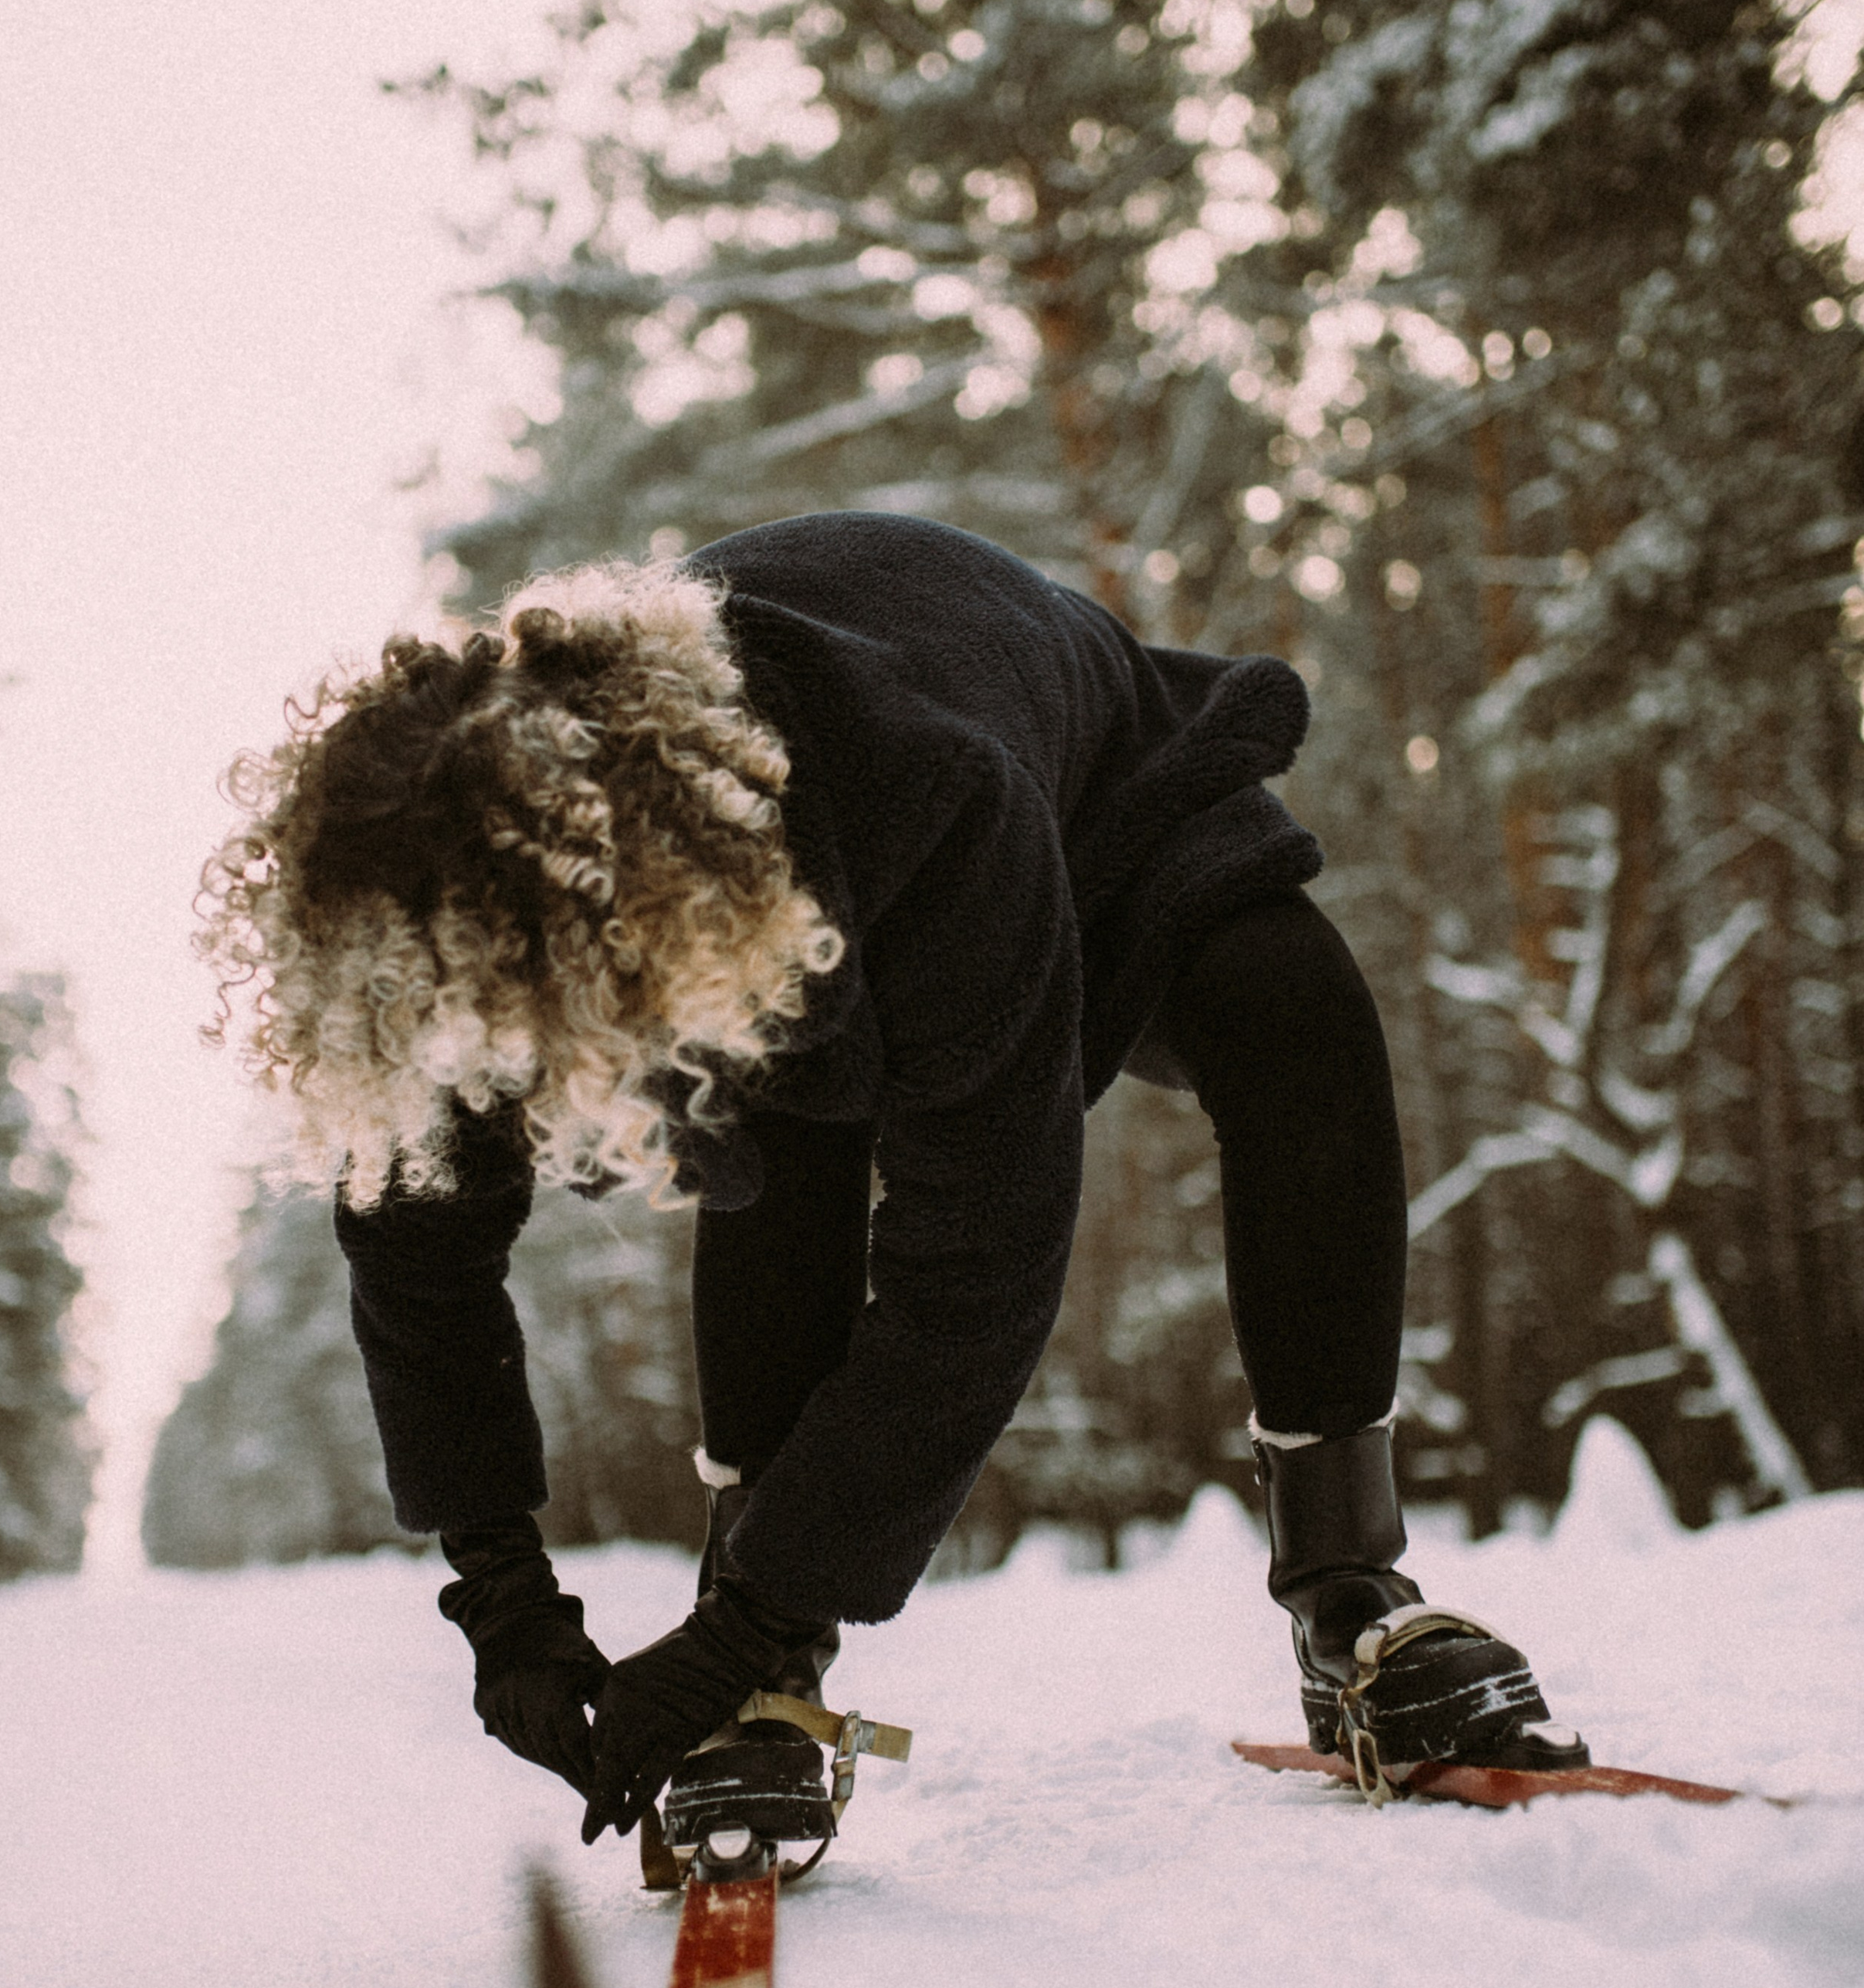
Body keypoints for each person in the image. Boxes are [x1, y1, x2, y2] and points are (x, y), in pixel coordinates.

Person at [200, 512, 1585, 1839]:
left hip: (1083, 789)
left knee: (1295, 1011)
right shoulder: (461, 912)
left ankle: (1351, 1591)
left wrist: (745, 1621)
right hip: (791, 864)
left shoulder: (920, 796)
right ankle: (771, 1689)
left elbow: (978, 1262)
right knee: (773, 1139)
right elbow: (417, 1252)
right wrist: (503, 1600)